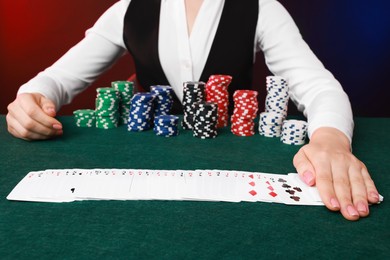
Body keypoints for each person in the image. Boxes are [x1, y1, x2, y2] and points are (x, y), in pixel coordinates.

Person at [6, 0, 380, 221]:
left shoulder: (261, 7)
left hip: (236, 170)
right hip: (146, 170)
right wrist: (30, 98)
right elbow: (55, 80)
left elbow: (317, 86)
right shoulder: (127, 9)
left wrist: (330, 140)